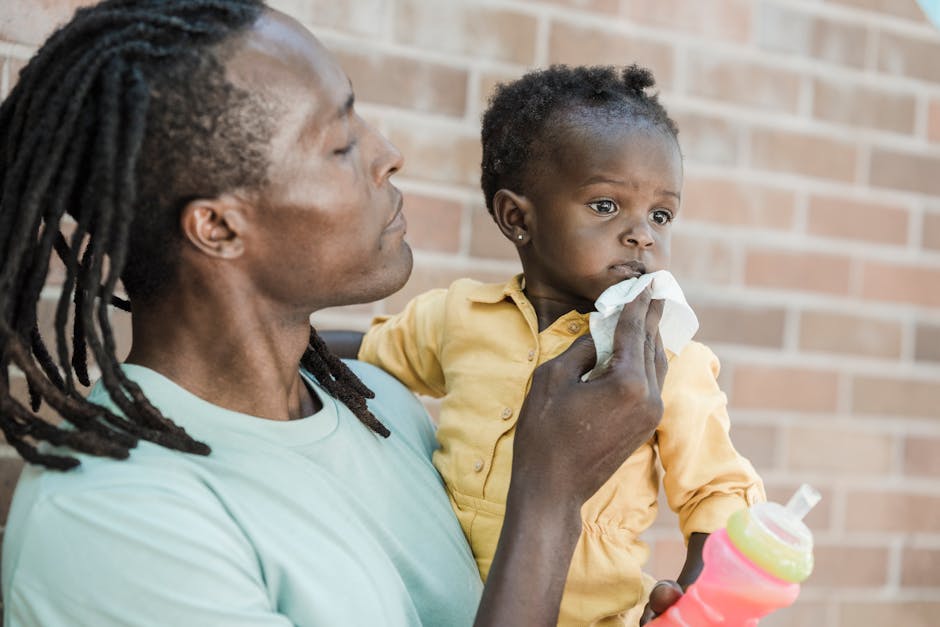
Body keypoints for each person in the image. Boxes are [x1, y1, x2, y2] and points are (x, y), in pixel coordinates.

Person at [0, 1, 676, 625]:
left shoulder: (381, 407)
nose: (387, 155)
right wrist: (549, 501)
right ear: (218, 227)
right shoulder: (114, 519)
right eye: (340, 143)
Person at [328, 65, 765, 626]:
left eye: (661, 214)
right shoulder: (459, 316)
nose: (642, 234)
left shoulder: (662, 359)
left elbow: (717, 491)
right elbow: (367, 352)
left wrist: (694, 599)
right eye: (606, 205)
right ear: (517, 218)